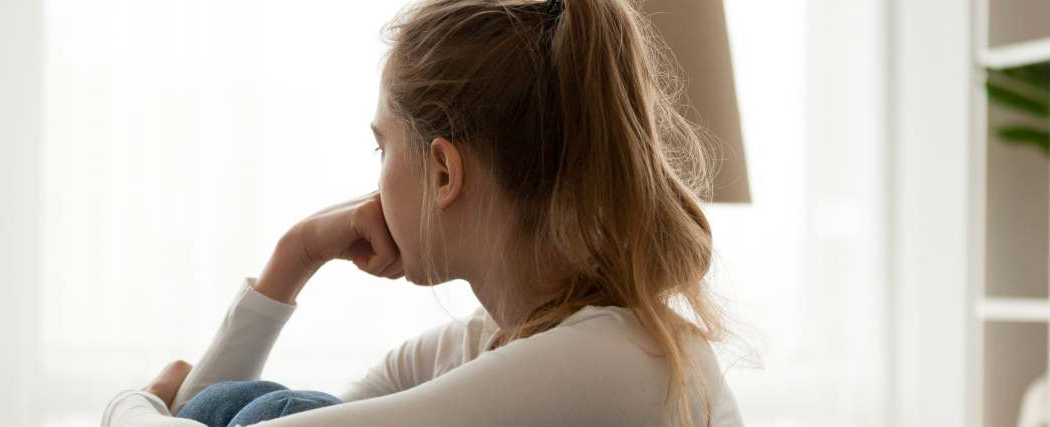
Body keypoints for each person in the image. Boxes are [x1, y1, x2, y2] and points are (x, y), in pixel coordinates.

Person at [101, 0, 743, 425]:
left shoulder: (612, 359)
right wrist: (295, 255)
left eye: (381, 148)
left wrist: (132, 405)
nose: (372, 186)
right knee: (246, 409)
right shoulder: (481, 342)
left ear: (443, 171)